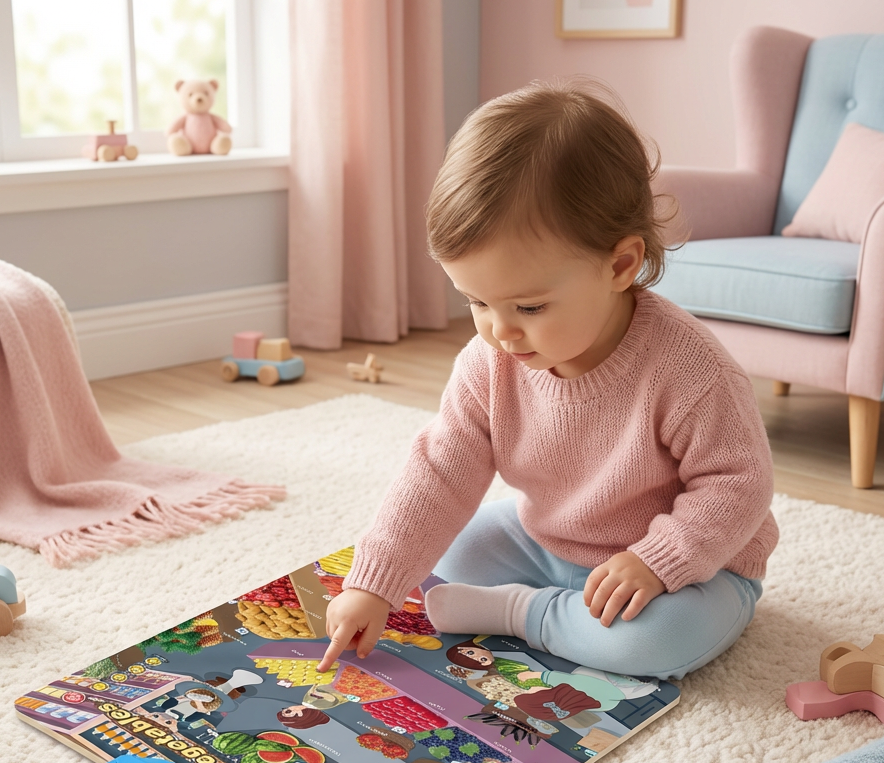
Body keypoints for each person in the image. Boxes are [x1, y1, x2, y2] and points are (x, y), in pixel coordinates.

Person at [319, 82, 777, 681]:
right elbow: (438, 474)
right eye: (477, 302)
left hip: (692, 565)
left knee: (652, 645)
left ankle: (525, 613)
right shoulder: (488, 364)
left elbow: (740, 485)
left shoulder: (691, 371)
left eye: (528, 308)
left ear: (619, 265)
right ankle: (559, 608)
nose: (499, 332)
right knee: (451, 550)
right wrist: (372, 585)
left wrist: (659, 561)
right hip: (550, 540)